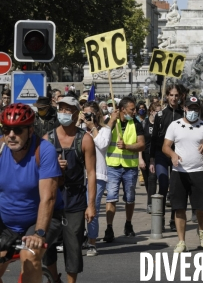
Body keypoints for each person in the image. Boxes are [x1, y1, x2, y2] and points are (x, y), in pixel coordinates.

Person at [0, 103, 63, 283]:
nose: (11, 135)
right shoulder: (0, 149)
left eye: (18, 130)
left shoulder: (44, 150)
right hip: (7, 222)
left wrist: (39, 233)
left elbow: (48, 198)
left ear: (30, 130)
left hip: (41, 219)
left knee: (29, 257)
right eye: (6, 129)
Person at [43, 95, 96, 283]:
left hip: (75, 198)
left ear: (76, 113)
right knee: (46, 243)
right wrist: (54, 167)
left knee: (73, 244)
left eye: (68, 109)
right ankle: (54, 279)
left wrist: (91, 205)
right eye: (61, 109)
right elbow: (39, 173)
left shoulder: (85, 139)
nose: (64, 113)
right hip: (52, 198)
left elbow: (91, 173)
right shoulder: (47, 139)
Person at [162, 96, 203, 253]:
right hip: (180, 172)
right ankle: (181, 241)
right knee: (179, 207)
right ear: (184, 108)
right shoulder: (175, 125)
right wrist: (172, 155)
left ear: (199, 110)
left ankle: (201, 230)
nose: (192, 111)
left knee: (202, 207)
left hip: (198, 171)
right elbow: (165, 146)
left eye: (195, 109)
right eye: (190, 108)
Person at [103, 97, 145, 242]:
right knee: (111, 197)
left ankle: (128, 223)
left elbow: (141, 145)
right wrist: (111, 121)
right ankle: (109, 227)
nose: (135, 112)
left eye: (134, 109)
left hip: (130, 168)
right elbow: (102, 137)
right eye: (131, 109)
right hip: (113, 165)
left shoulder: (136, 124)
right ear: (122, 109)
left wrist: (127, 146)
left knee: (130, 198)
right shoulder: (111, 121)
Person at [81, 101, 116, 256]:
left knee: (92, 208)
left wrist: (92, 128)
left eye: (90, 113)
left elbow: (102, 144)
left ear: (97, 114)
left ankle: (92, 242)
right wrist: (79, 122)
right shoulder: (79, 129)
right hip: (79, 175)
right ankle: (79, 238)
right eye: (85, 113)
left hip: (98, 175)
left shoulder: (105, 129)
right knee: (77, 210)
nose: (88, 116)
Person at [149, 84, 184, 232]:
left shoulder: (184, 114)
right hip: (161, 155)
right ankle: (160, 217)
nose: (174, 98)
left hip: (178, 155)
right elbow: (154, 138)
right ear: (167, 96)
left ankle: (173, 219)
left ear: (180, 96)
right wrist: (151, 159)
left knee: (176, 188)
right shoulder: (161, 115)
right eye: (171, 95)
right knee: (163, 184)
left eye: (176, 95)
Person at [139, 103, 158, 214]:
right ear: (151, 111)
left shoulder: (159, 124)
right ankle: (150, 196)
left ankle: (150, 203)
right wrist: (140, 158)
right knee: (147, 180)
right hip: (144, 154)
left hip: (154, 156)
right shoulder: (144, 124)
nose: (158, 114)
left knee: (152, 178)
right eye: (156, 111)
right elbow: (140, 142)